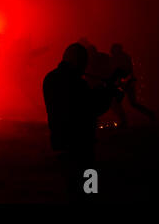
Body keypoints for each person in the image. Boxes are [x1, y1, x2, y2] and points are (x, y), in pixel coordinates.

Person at [43, 43, 119, 202]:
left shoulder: (50, 78)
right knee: (88, 190)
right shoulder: (77, 83)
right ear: (77, 62)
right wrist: (108, 92)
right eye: (83, 62)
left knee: (70, 189)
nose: (86, 66)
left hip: (60, 142)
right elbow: (92, 108)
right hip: (81, 146)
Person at [109, 43, 155, 127]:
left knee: (123, 102)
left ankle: (125, 121)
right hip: (125, 83)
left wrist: (122, 80)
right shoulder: (118, 58)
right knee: (124, 102)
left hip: (127, 83)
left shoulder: (123, 57)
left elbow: (127, 70)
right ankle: (149, 114)